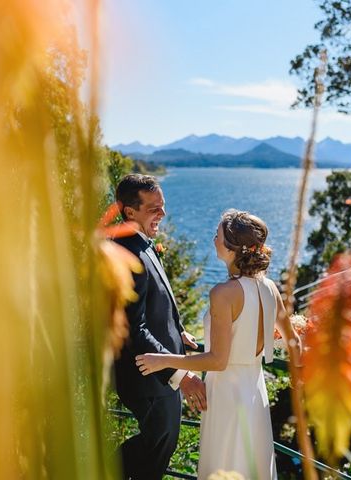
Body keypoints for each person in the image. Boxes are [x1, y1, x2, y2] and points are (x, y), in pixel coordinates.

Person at [136, 209, 297, 480]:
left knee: (224, 465)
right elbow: (295, 343)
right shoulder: (270, 288)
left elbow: (217, 360)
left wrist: (163, 360)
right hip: (255, 393)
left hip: (227, 396)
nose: (213, 240)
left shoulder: (223, 293)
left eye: (218, 235)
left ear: (233, 247)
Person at [114, 174, 207, 480]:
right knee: (158, 447)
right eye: (154, 208)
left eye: (163, 206)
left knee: (160, 446)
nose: (163, 214)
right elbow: (133, 327)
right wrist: (182, 375)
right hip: (149, 375)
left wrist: (176, 329)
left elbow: (156, 299)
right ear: (130, 212)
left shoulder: (141, 244)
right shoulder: (128, 254)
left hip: (159, 369)